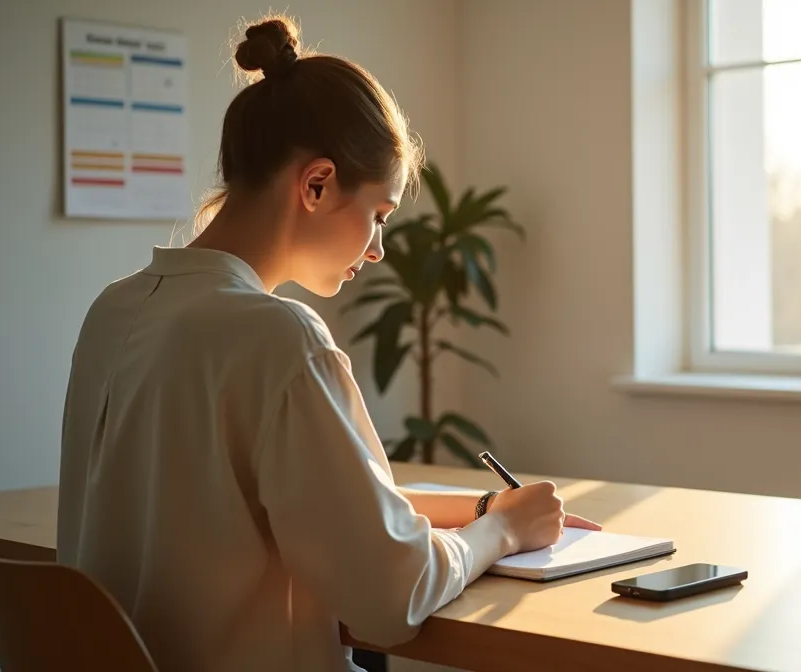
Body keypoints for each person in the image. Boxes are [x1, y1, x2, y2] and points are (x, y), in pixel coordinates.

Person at [56, 15, 598, 672]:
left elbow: (305, 503)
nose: (377, 250)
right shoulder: (277, 338)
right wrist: (504, 530)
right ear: (315, 185)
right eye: (378, 215)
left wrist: (484, 507)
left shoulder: (112, 311)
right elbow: (390, 598)